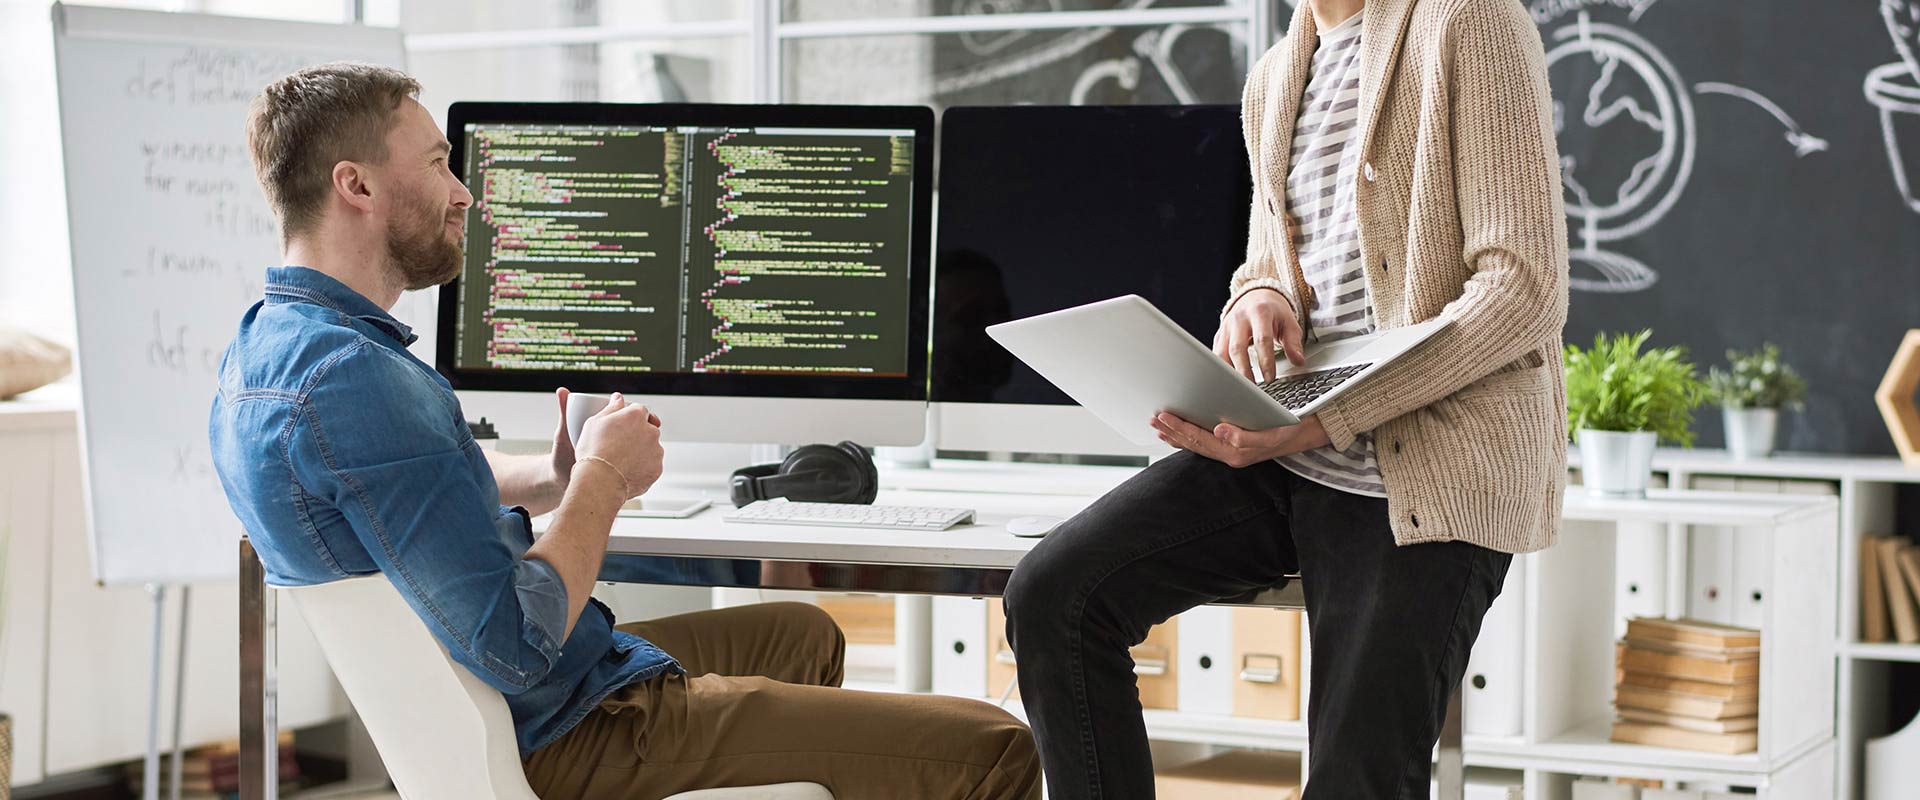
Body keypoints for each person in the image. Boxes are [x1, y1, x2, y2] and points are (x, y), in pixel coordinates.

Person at [210, 62, 1040, 800]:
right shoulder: (362, 381)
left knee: (801, 631)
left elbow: (396, 491)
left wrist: (554, 477)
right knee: (996, 748)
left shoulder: (271, 351)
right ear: (355, 186)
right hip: (563, 731)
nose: (464, 192)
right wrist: (604, 484)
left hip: (527, 700)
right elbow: (517, 646)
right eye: (437, 165)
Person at [1002, 0, 1570, 796]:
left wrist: (1323, 420)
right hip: (1290, 453)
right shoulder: (1274, 76)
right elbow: (1273, 261)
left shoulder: (1469, 20)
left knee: (1352, 780)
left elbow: (1524, 290)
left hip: (1420, 474)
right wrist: (1257, 297)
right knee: (1055, 596)